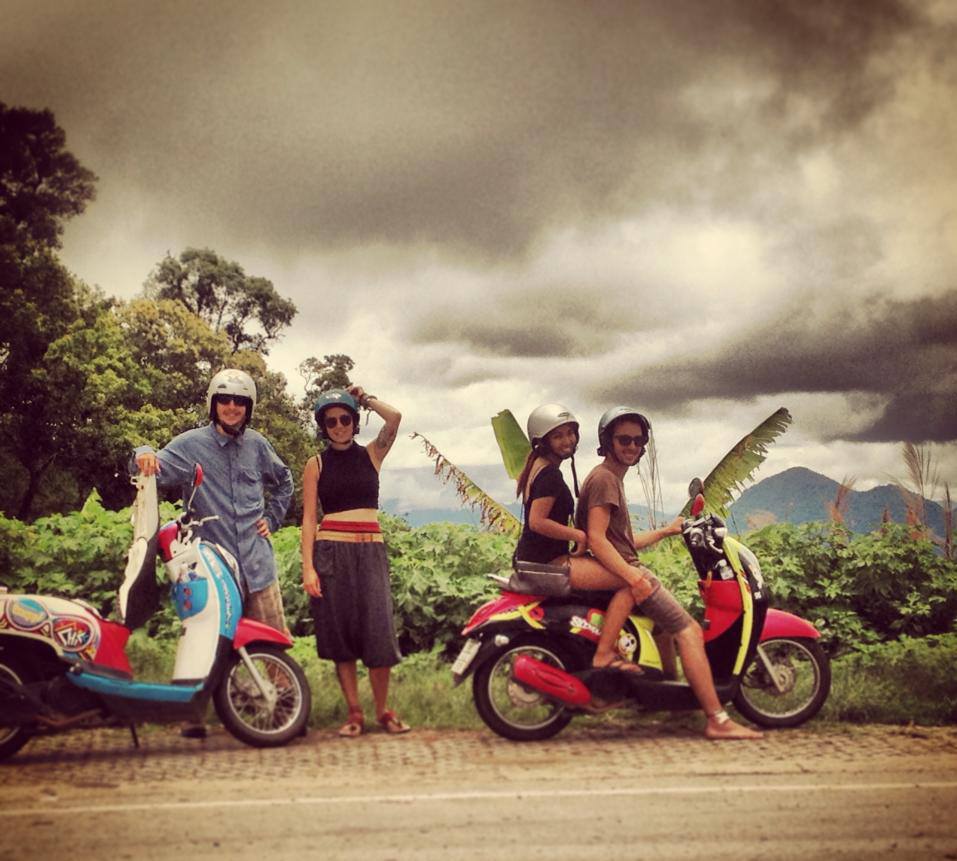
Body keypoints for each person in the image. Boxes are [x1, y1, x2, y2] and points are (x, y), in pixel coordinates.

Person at [575, 405, 763, 740]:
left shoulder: (607, 477)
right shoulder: (605, 479)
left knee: (662, 629)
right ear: (607, 441)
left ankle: (668, 701)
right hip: (627, 573)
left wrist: (663, 531)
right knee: (688, 630)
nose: (631, 447)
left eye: (637, 440)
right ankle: (717, 719)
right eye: (623, 440)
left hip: (623, 568)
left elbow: (622, 541)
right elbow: (597, 539)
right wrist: (633, 577)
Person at [133, 368, 294, 738]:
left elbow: (284, 480)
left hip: (255, 562)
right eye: (225, 399)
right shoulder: (190, 446)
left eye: (240, 401)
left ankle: (284, 709)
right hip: (212, 564)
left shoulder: (257, 445)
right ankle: (193, 715)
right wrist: (143, 454)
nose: (232, 407)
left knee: (270, 636)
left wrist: (273, 517)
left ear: (248, 407)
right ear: (213, 403)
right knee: (206, 635)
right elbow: (150, 468)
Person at [300, 386, 410, 737]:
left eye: (345, 418)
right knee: (340, 634)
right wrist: (308, 567)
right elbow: (307, 518)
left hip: (370, 551)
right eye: (330, 421)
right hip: (332, 551)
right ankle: (355, 712)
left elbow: (394, 419)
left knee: (379, 631)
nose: (338, 426)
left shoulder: (372, 455)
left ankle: (383, 711)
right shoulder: (315, 464)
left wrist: (366, 398)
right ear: (323, 425)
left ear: (354, 421)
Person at [514, 404, 652, 673]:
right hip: (548, 562)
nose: (568, 441)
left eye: (570, 433)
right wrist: (579, 535)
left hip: (538, 558)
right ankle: (603, 655)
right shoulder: (550, 474)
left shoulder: (540, 467)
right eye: (558, 436)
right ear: (542, 442)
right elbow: (537, 522)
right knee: (631, 580)